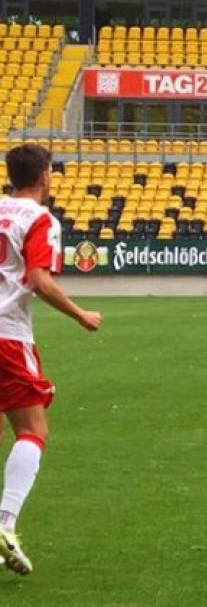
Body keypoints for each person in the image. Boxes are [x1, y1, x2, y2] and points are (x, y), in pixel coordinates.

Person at [0, 145, 102, 576]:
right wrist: (81, 315)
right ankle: (5, 524)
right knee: (32, 429)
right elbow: (39, 280)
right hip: (6, 334)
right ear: (44, 175)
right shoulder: (39, 219)